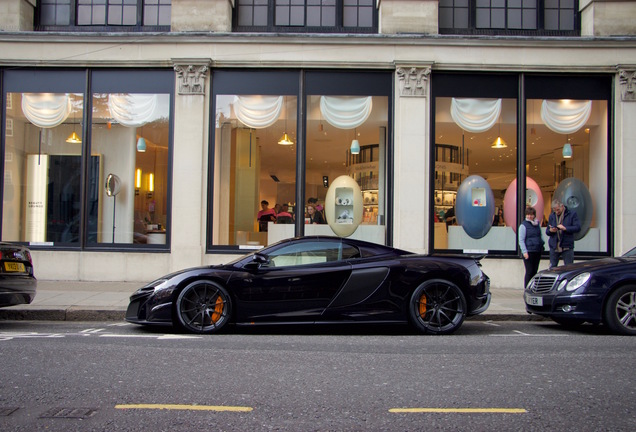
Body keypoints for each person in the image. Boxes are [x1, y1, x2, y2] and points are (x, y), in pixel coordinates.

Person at [546, 198, 581, 269]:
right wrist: (551, 231)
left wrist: (565, 228)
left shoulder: (571, 214)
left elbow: (577, 228)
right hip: (554, 246)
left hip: (566, 245)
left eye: (558, 210)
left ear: (562, 206)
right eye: (554, 210)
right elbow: (547, 231)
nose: (556, 212)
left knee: (569, 268)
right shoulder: (552, 216)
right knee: (552, 268)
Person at [518, 207, 544, 288]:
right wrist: (524, 252)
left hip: (537, 250)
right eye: (528, 215)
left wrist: (542, 243)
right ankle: (527, 288)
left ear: (534, 215)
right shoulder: (523, 225)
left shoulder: (537, 224)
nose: (529, 216)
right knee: (529, 271)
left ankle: (534, 287)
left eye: (531, 215)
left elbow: (541, 235)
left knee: (535, 271)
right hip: (529, 251)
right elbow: (521, 240)